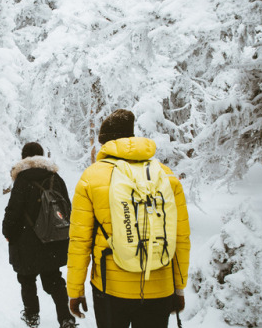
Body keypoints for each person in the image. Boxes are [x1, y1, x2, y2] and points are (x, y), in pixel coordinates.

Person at [66, 109, 191, 328]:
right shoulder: (166, 174)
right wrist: (178, 287)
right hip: (160, 285)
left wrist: (75, 290)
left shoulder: (91, 176)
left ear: (104, 142)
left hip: (110, 287)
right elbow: (181, 237)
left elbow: (80, 241)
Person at [3, 142, 77, 328]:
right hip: (53, 238)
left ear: (24, 158)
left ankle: (32, 316)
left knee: (27, 279)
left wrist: (8, 232)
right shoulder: (55, 177)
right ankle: (66, 318)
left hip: (27, 240)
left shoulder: (22, 179)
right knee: (54, 278)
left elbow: (13, 211)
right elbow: (67, 207)